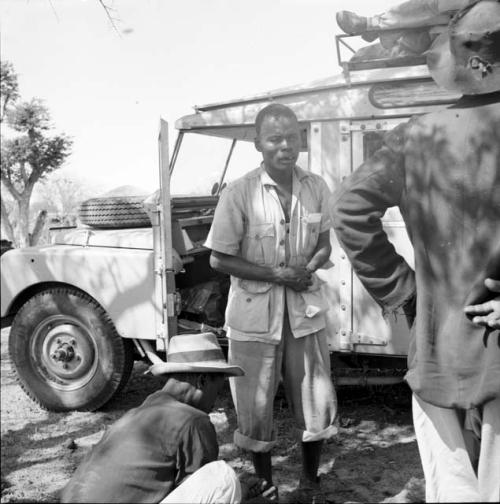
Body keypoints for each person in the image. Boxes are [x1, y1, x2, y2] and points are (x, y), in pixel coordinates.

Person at [331, 1, 500, 501]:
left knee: (452, 492)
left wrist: (405, 293)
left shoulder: (415, 135)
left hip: (437, 355)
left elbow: (347, 211)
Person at [205, 103, 337, 503]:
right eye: (275, 138)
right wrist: (279, 275)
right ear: (258, 143)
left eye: (292, 137)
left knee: (315, 398)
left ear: (301, 139)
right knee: (254, 405)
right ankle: (266, 486)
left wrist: (310, 266)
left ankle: (310, 483)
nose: (285, 146)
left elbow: (324, 242)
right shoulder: (239, 192)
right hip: (253, 316)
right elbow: (218, 258)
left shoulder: (315, 186)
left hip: (304, 313)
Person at [60, 332, 275, 504]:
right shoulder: (193, 421)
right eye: (216, 391)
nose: (213, 403)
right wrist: (243, 489)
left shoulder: (139, 413)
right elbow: (205, 487)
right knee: (222, 478)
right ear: (202, 381)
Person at [336, 0, 477, 57]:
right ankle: (371, 24)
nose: (354, 15)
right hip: (439, 21)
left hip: (442, 19)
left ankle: (371, 25)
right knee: (399, 14)